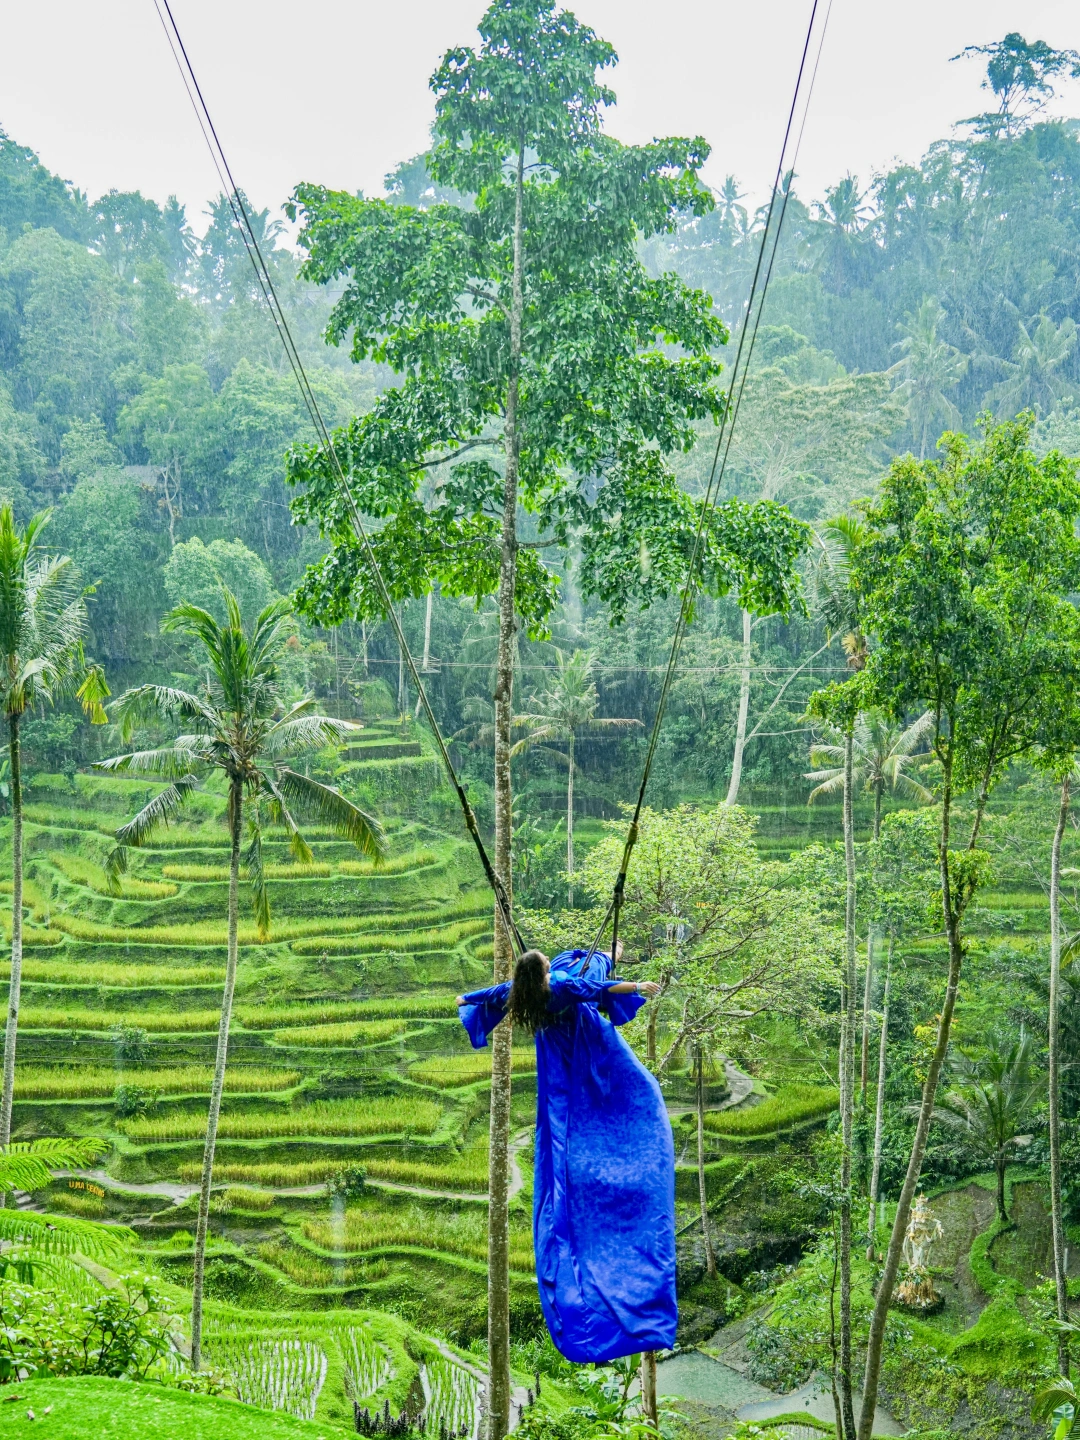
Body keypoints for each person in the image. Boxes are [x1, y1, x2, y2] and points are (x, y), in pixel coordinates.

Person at [455, 943, 676, 1364]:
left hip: (554, 1060)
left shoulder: (517, 994)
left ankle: (608, 951)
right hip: (582, 1045)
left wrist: (464, 999)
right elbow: (601, 989)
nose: (546, 962)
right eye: (544, 963)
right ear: (543, 975)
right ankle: (610, 952)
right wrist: (638, 986)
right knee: (640, 1094)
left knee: (580, 965)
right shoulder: (561, 986)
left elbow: (484, 996)